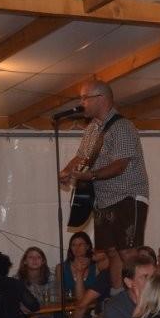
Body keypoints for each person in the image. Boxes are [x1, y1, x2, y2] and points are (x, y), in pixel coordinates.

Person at [59, 80, 149, 292]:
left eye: (85, 98)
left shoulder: (122, 127)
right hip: (102, 199)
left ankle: (143, 298)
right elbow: (82, 157)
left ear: (101, 98)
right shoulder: (92, 129)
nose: (81, 103)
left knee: (127, 251)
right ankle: (118, 296)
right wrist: (66, 171)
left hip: (127, 195)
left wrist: (90, 175)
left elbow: (120, 165)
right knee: (111, 252)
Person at [57, 231, 98, 301]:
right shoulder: (61, 268)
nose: (77, 247)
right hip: (68, 306)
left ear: (88, 246)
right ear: (70, 248)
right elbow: (59, 295)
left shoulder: (96, 267)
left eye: (80, 244)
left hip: (91, 305)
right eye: (73, 245)